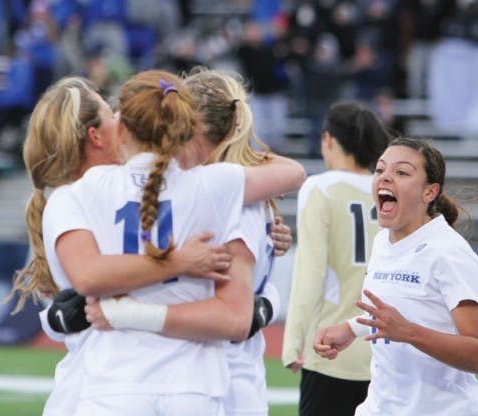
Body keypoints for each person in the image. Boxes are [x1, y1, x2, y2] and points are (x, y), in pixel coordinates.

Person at [16, 70, 305, 415]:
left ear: (124, 129)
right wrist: (178, 262)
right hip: (196, 382)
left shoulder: (71, 195)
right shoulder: (217, 186)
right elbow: (293, 173)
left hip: (111, 381)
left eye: (116, 112)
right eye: (109, 112)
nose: (115, 116)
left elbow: (82, 286)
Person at [314, 137, 478, 415]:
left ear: (429, 192)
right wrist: (352, 328)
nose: (385, 178)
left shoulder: (449, 253)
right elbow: (399, 310)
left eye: (401, 172)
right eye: (380, 170)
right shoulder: (383, 242)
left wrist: (408, 333)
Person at [281, 101, 392, 416]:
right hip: (384, 350)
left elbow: (310, 272)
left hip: (330, 346)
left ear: (328, 139)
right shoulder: (385, 189)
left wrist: (294, 341)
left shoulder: (320, 188)